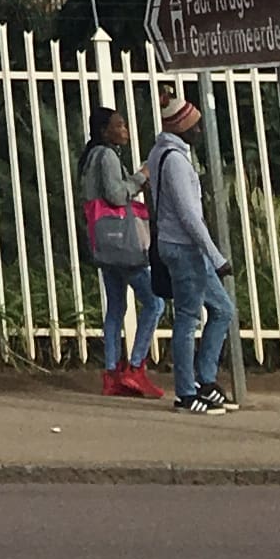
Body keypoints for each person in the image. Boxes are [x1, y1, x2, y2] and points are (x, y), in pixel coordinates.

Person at [146, 83, 238, 414]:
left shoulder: (161, 153)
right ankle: (186, 392)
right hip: (184, 248)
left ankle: (205, 379)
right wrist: (216, 256)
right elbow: (188, 215)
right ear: (182, 128)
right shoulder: (175, 161)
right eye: (194, 126)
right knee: (188, 318)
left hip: (181, 246)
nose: (199, 131)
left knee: (222, 309)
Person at [77, 104, 161, 396]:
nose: (125, 130)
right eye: (119, 125)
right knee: (154, 303)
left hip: (104, 242)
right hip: (123, 243)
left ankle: (111, 372)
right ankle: (136, 367)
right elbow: (115, 195)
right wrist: (140, 177)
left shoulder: (89, 157)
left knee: (115, 306)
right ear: (105, 131)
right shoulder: (108, 156)